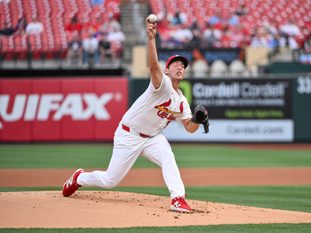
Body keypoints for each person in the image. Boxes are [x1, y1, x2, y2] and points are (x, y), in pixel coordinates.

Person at [62, 16, 210, 213]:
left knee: (168, 156)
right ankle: (79, 177)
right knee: (110, 181)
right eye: (176, 64)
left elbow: (189, 128)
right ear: (167, 69)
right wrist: (151, 39)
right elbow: (153, 66)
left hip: (152, 138)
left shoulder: (182, 101)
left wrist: (197, 121)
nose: (180, 67)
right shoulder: (162, 84)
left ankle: (177, 198)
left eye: (183, 65)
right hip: (129, 134)